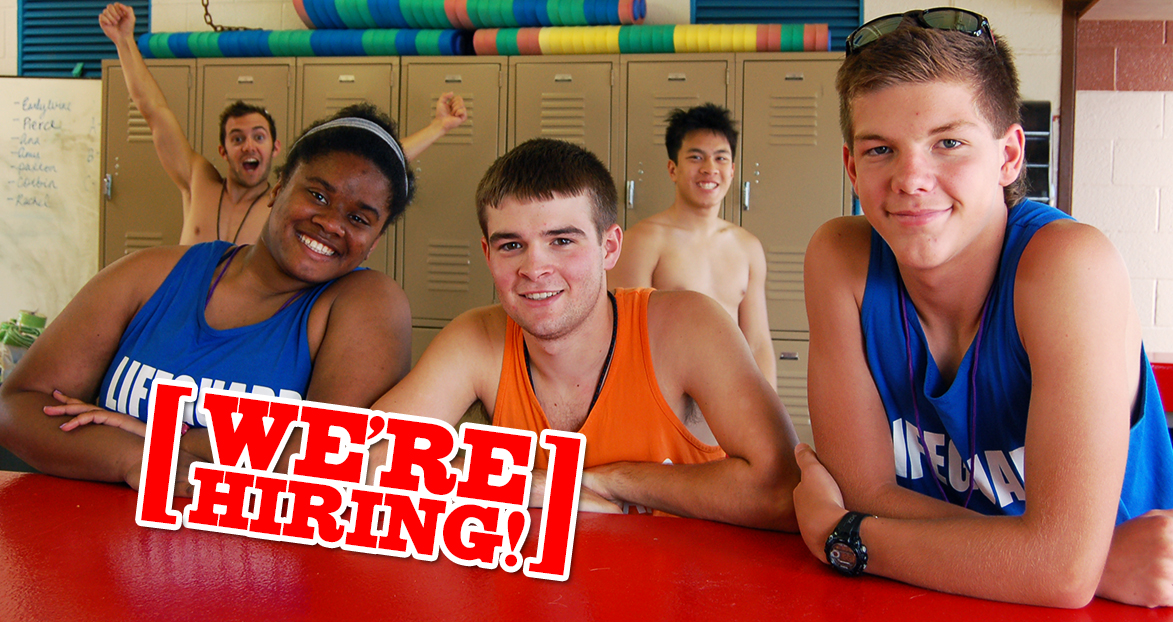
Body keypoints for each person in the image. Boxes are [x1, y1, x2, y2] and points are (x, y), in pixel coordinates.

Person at [791, 8, 1173, 608]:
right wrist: (1059, 561)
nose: (911, 178)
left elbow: (1060, 577)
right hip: (933, 600)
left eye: (949, 143)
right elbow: (862, 489)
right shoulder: (841, 261)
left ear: (1010, 156)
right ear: (852, 168)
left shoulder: (1067, 266)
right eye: (881, 150)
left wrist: (843, 537)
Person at [368, 138, 799, 530]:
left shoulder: (686, 326)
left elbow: (782, 490)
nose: (534, 269)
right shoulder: (476, 340)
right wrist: (525, 484)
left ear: (609, 248)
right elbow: (354, 463)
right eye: (511, 245)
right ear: (487, 254)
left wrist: (617, 480)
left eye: (562, 241)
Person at [0, 103, 414, 494]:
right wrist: (131, 458)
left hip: (244, 567)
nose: (329, 223)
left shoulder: (367, 304)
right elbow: (17, 407)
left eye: (358, 218)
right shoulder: (151, 273)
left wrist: (154, 436)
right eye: (318, 195)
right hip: (95, 551)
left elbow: (325, 459)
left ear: (375, 242)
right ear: (279, 187)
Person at [99, 2, 468, 246]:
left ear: (274, 149)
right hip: (184, 313)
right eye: (237, 137)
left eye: (258, 136)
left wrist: (439, 126)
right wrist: (124, 41)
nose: (248, 145)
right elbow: (155, 112)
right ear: (222, 150)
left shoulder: (283, 200)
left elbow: (375, 159)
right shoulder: (197, 180)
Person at [608, 104, 776, 388]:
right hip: (665, 397)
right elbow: (624, 342)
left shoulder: (748, 247)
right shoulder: (642, 241)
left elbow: (758, 342)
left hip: (729, 397)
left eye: (721, 158)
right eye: (696, 157)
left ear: (732, 170)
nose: (710, 169)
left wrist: (771, 417)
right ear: (673, 169)